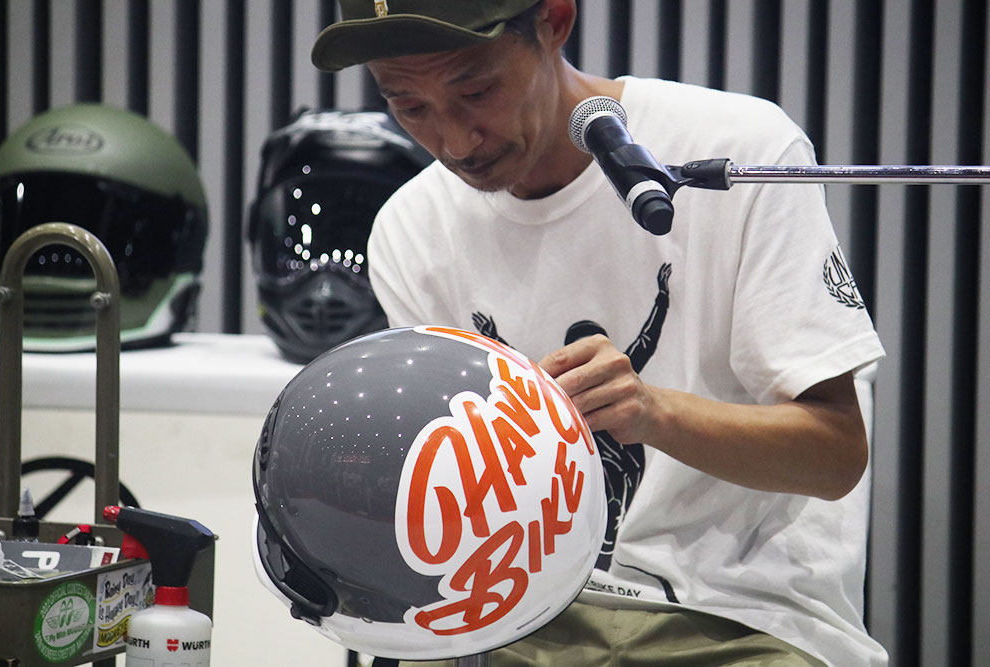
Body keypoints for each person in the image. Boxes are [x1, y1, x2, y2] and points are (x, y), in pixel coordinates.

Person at [310, 1, 888, 665]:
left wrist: (653, 411)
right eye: (409, 106)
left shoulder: (739, 149)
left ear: (555, 21)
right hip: (516, 618)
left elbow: (834, 454)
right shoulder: (412, 228)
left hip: (740, 619)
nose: (456, 142)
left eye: (477, 91)